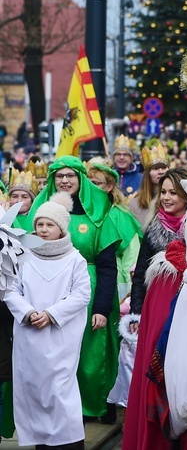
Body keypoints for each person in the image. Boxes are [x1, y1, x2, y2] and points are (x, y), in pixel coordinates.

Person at [28, 156, 122, 422]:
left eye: (70, 175)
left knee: (92, 356)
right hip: (52, 292)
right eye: (59, 175)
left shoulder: (98, 213)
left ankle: (96, 405)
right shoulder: (42, 212)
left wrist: (102, 307)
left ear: (80, 178)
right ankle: (63, 407)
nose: (65, 180)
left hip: (91, 291)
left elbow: (106, 267)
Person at [121, 168, 187, 450]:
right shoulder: (153, 228)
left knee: (185, 372)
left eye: (173, 193)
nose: (166, 198)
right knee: (155, 370)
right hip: (157, 308)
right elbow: (141, 274)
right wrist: (138, 312)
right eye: (163, 192)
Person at [4, 192, 91, 449]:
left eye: (49, 225)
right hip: (30, 335)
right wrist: (29, 312)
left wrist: (52, 314)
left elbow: (82, 294)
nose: (43, 230)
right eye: (39, 224)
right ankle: (40, 439)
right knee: (32, 387)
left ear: (61, 228)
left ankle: (69, 440)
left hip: (60, 337)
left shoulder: (75, 259)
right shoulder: (24, 255)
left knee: (60, 387)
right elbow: (9, 289)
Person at [87, 160, 143, 301]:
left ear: (109, 187)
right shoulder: (80, 212)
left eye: (96, 183)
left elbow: (131, 258)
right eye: (88, 183)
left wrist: (130, 294)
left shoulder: (120, 216)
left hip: (114, 285)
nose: (90, 188)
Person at [128, 143, 169, 226]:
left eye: (164, 168)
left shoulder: (178, 200)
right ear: (147, 173)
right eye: (156, 168)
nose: (161, 172)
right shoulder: (135, 203)